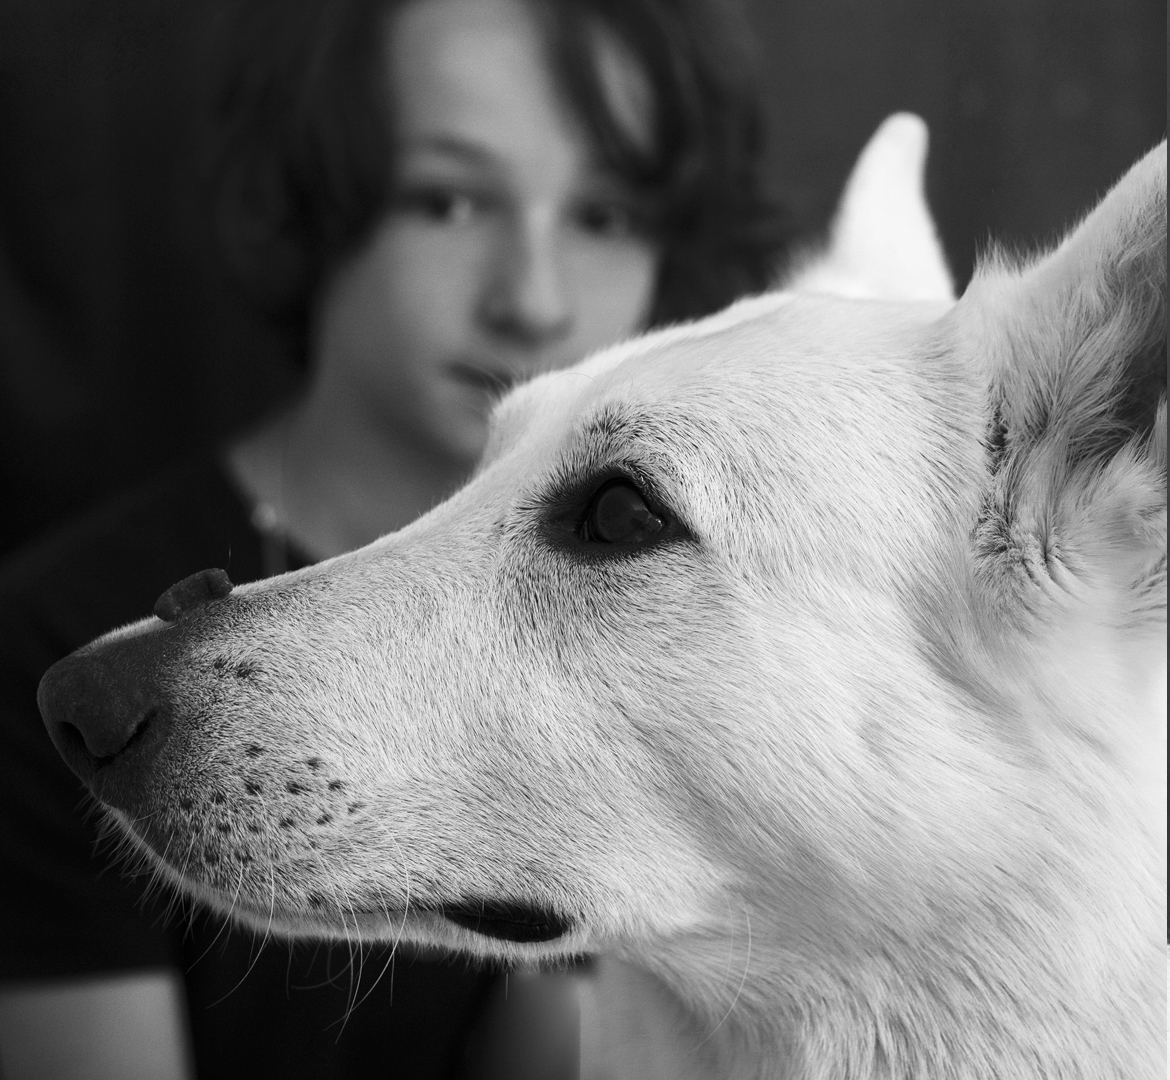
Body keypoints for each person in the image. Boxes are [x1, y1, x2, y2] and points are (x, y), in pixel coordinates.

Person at [0, 0, 787, 1076]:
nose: (535, 299)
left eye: (603, 214)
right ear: (312, 202)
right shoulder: (50, 636)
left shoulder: (689, 628)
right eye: (450, 201)